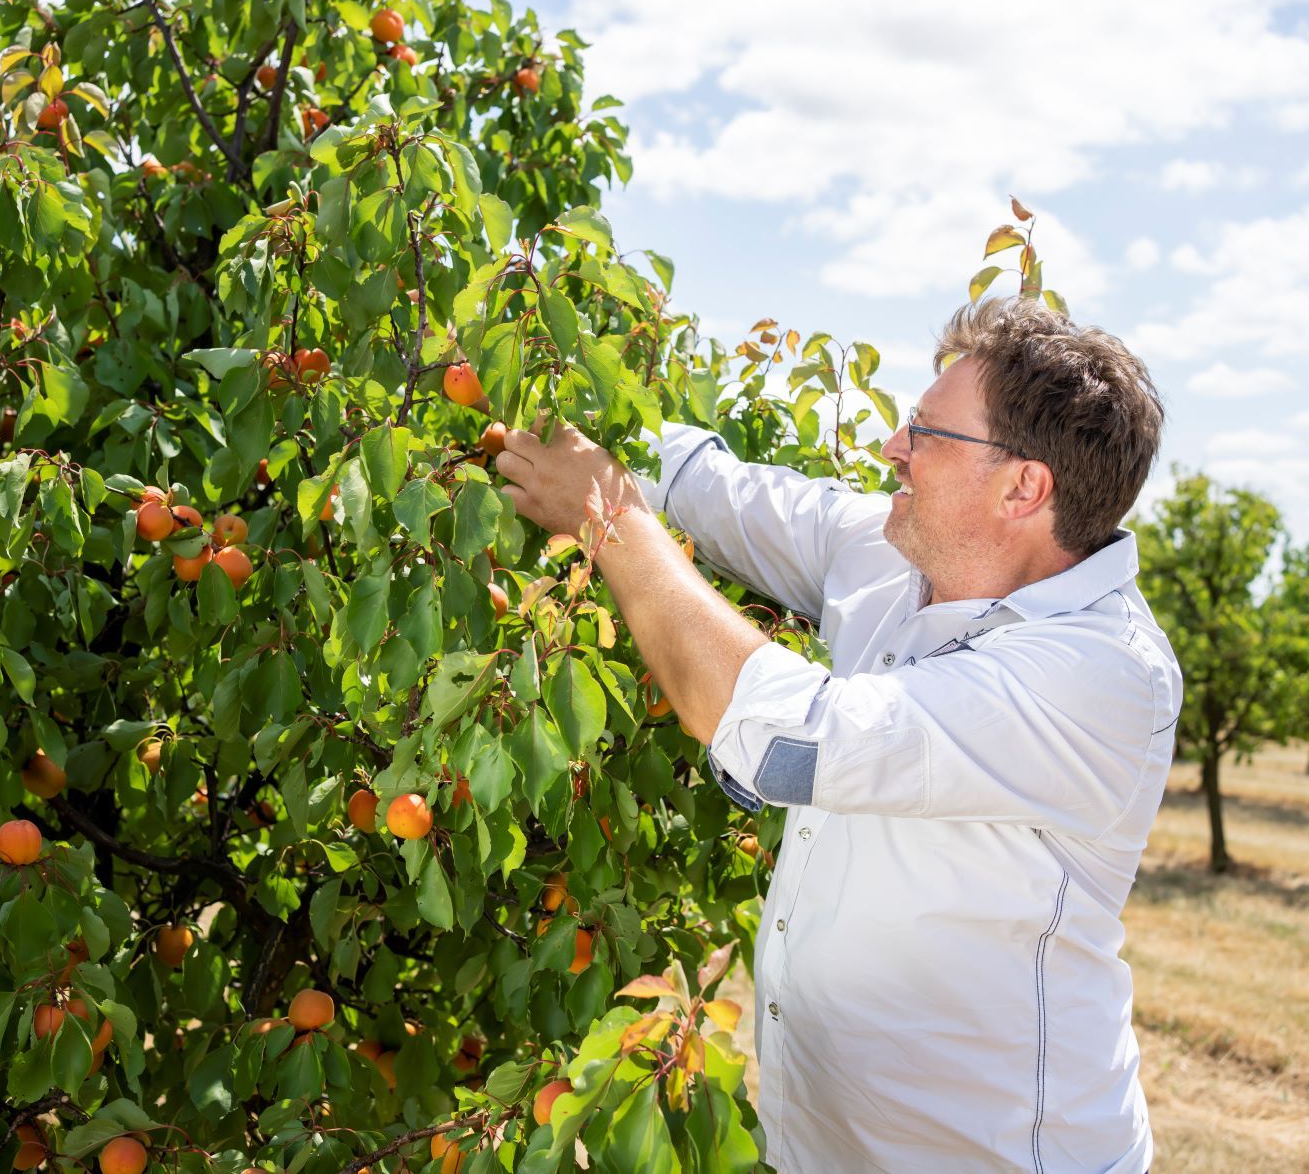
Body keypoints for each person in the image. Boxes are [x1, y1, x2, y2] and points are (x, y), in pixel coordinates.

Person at [493, 296, 1180, 1173]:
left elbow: (787, 733)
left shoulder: (1096, 673)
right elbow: (716, 491)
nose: (891, 448)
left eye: (927, 435)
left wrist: (609, 520)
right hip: (818, 1142)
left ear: (1023, 487)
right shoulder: (899, 551)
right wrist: (560, 378)